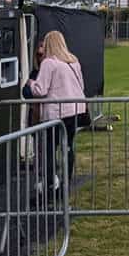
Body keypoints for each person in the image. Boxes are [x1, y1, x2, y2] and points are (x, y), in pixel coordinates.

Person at [26, 30, 87, 190]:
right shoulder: (73, 61)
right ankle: (66, 181)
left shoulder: (49, 62)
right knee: (68, 147)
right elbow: (81, 85)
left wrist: (30, 83)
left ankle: (51, 183)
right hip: (75, 109)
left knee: (49, 150)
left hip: (56, 112)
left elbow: (40, 90)